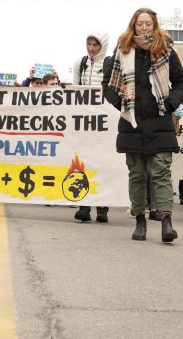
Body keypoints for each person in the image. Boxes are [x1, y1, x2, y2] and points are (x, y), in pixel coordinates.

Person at [104, 9, 183, 243]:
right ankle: (140, 219)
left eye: (147, 24)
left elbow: (181, 82)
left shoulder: (166, 51)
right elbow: (108, 85)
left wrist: (171, 104)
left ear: (154, 26)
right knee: (138, 175)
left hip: (159, 120)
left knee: (161, 172)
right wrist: (121, 103)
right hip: (132, 122)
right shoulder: (122, 52)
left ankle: (166, 221)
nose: (143, 28)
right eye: (140, 24)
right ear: (133, 25)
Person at [72, 30, 111, 223]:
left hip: (103, 122)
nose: (92, 48)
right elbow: (74, 91)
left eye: (95, 45)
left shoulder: (110, 63)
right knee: (83, 163)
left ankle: (102, 208)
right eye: (89, 44)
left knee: (102, 164)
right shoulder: (81, 63)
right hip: (84, 121)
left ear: (102, 46)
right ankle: (84, 206)